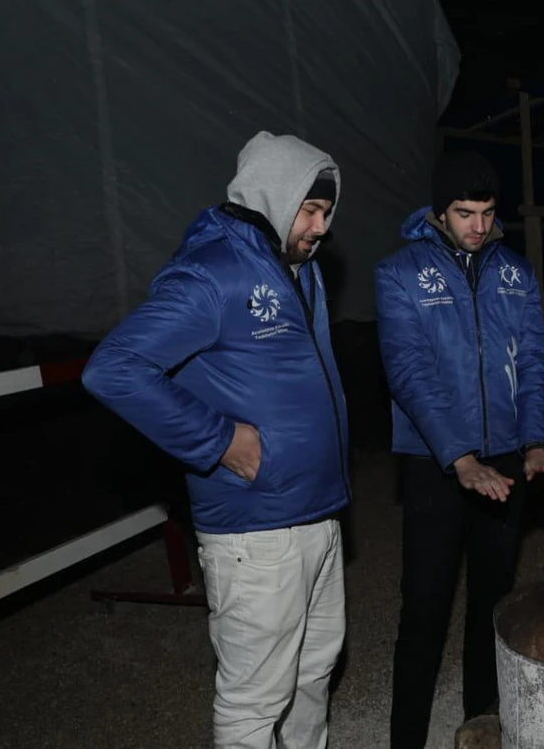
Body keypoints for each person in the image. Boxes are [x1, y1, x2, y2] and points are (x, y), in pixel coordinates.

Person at [82, 131, 350, 748]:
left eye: (327, 212)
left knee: (313, 675)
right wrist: (219, 440)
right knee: (256, 700)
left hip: (316, 513)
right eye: (311, 210)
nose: (321, 226)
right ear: (274, 199)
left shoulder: (296, 268)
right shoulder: (213, 272)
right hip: (255, 533)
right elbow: (114, 368)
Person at [375, 150, 544, 749]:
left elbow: (536, 362)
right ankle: (405, 739)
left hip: (506, 464)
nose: (478, 226)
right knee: (425, 609)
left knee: (493, 607)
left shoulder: (516, 272)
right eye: (465, 212)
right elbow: (408, 372)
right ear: (439, 211)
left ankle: (479, 729)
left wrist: (537, 441)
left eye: (487, 213)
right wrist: (459, 456)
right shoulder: (400, 272)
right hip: (437, 463)